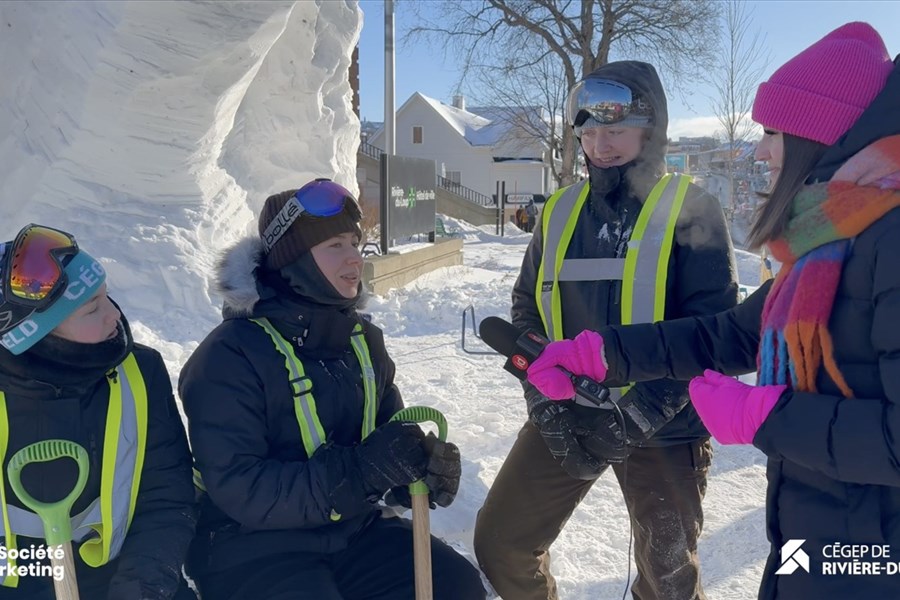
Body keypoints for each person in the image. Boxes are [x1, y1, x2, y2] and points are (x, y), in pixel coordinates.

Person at [525, 22, 900, 599]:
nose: (760, 149)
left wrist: (765, 416)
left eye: (775, 131)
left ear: (823, 135)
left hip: (874, 555)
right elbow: (726, 334)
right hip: (810, 534)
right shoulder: (827, 242)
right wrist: (603, 353)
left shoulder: (888, 243)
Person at [473, 61, 739, 600]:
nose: (601, 145)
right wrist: (541, 399)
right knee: (502, 543)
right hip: (569, 409)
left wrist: (639, 411)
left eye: (615, 130)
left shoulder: (693, 209)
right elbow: (528, 307)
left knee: (667, 580)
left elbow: (713, 333)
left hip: (664, 421)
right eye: (588, 132)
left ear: (650, 128)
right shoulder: (561, 211)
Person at [179, 179, 486, 600]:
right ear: (294, 261)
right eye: (335, 246)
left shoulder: (362, 340)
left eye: (355, 243)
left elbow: (385, 439)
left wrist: (417, 469)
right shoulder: (229, 356)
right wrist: (360, 473)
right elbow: (241, 487)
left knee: (456, 586)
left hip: (350, 531)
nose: (354, 259)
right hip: (251, 548)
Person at [0, 224, 196, 599]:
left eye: (106, 296)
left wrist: (139, 591)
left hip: (124, 575)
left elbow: (166, 499)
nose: (114, 316)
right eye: (91, 307)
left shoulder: (140, 371)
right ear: (37, 334)